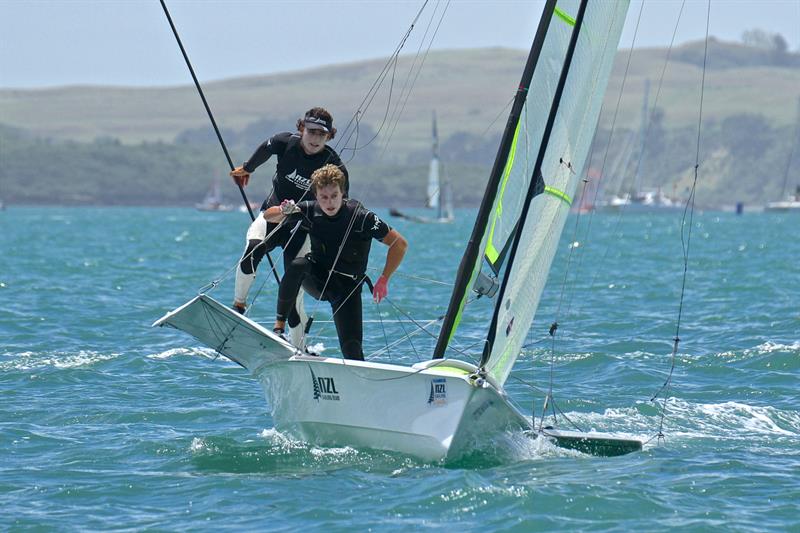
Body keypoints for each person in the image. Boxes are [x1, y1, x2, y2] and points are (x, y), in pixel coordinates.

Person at [229, 107, 349, 348]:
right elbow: (266, 147)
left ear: (329, 136)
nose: (315, 139)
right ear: (302, 128)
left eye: (322, 135)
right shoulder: (286, 143)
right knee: (253, 248)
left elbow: (340, 202)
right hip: (273, 215)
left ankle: (298, 348)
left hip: (303, 229)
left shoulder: (332, 164)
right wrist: (247, 168)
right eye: (311, 131)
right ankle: (238, 307)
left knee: (293, 289)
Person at [264, 164, 408, 360]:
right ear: (316, 195)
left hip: (346, 288)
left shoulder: (362, 217)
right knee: (298, 264)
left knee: (352, 351)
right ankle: (279, 328)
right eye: (323, 197)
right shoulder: (310, 209)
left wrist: (384, 278)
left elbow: (399, 244)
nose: (329, 202)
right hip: (318, 279)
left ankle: (359, 385)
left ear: (343, 193)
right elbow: (268, 216)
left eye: (334, 196)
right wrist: (283, 209)